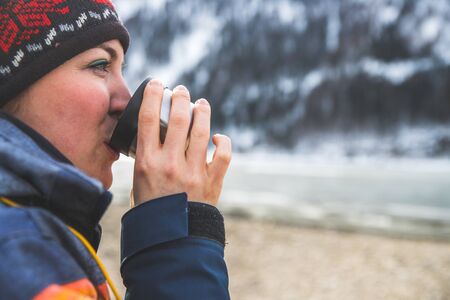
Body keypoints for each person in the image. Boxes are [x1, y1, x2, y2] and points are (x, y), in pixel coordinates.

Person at [0, 0, 232, 299]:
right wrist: (177, 246)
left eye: (121, 69)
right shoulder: (19, 250)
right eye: (99, 66)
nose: (125, 100)